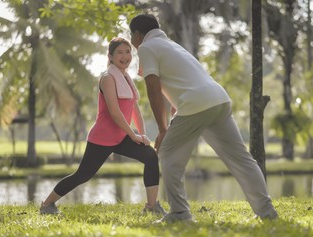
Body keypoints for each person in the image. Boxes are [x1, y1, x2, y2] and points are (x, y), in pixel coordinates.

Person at [129, 14, 278, 223]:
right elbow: (181, 79)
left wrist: (163, 130)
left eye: (131, 36)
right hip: (219, 100)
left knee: (168, 154)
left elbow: (153, 88)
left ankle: (180, 214)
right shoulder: (172, 45)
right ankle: (267, 213)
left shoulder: (147, 47)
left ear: (137, 34)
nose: (132, 42)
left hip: (196, 105)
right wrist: (175, 109)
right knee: (242, 160)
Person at [40, 37, 166, 216]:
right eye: (120, 52)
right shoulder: (108, 78)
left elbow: (134, 108)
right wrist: (133, 135)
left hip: (122, 136)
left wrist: (142, 135)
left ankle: (152, 207)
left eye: (128, 51)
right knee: (82, 175)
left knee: (150, 157)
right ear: (111, 56)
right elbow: (115, 112)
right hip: (103, 137)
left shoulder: (126, 78)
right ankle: (47, 204)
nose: (125, 56)